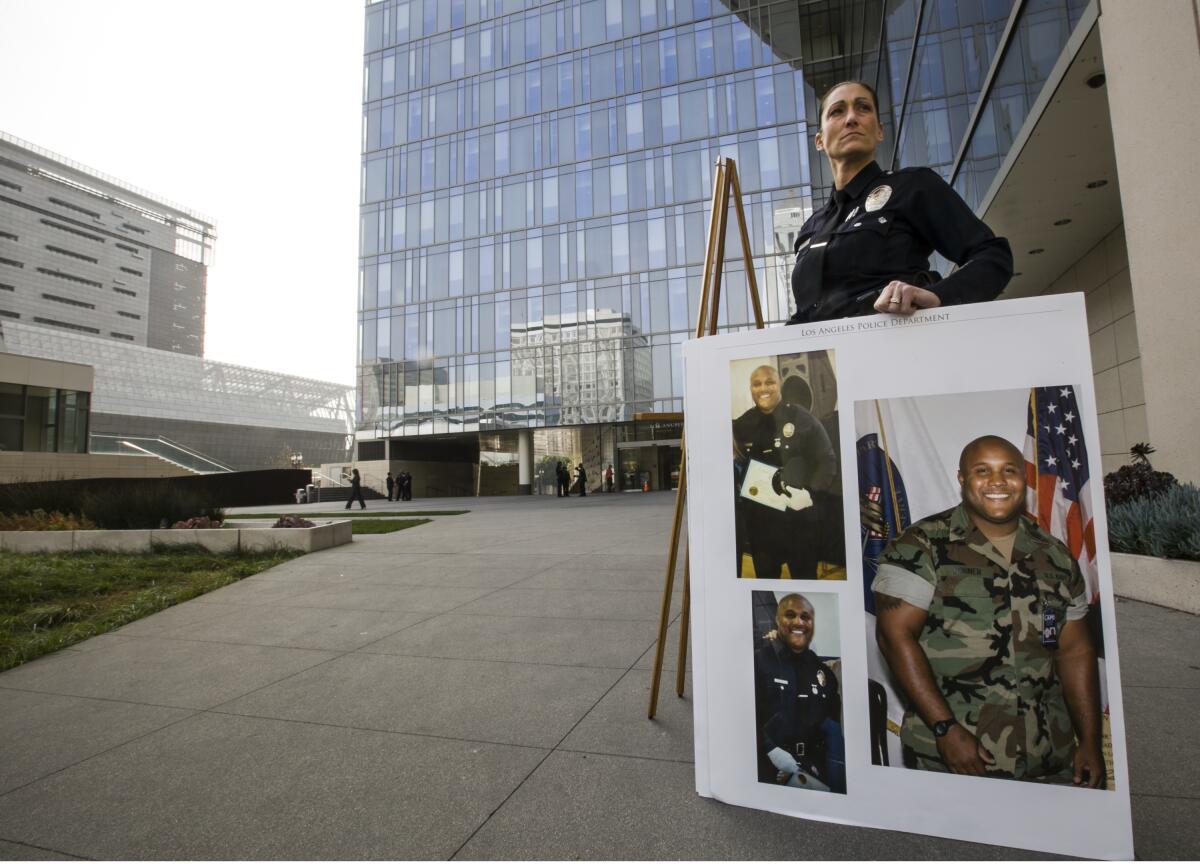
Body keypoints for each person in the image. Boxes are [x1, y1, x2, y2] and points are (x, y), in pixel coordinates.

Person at [871, 436, 1104, 787]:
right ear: (962, 479)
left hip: (1049, 759)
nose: (997, 481)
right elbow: (894, 637)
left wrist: (1088, 741)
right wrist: (945, 728)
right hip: (954, 757)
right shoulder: (921, 546)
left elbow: (1075, 651)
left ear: (1023, 480)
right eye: (983, 471)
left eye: (1008, 471)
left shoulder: (1055, 558)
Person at [789, 81, 1012, 325]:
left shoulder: (913, 185)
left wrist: (938, 296)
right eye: (837, 111)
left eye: (863, 108)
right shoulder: (811, 226)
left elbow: (994, 256)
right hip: (830, 359)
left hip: (902, 350)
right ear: (819, 141)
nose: (851, 118)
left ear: (880, 131)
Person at [733, 364, 837, 579]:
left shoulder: (802, 419)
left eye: (769, 382)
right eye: (757, 384)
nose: (764, 389)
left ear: (779, 384)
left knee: (805, 581)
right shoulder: (743, 424)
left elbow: (827, 461)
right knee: (766, 583)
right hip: (761, 525)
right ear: (751, 389)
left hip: (798, 520)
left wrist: (810, 493)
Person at [754, 593, 844, 793]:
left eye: (805, 617)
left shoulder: (823, 673)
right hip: (766, 768)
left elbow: (832, 730)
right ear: (777, 620)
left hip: (811, 773)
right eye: (790, 615)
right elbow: (742, 714)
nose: (799, 622)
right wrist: (770, 749)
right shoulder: (759, 662)